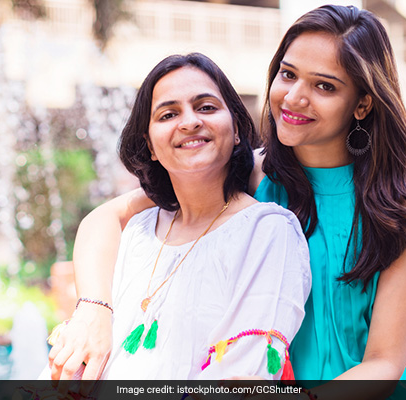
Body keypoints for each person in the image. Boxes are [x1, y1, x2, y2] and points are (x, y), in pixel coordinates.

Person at [50, 4, 406, 397]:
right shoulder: (250, 172)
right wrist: (94, 309)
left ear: (363, 103)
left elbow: (384, 363)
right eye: (288, 74)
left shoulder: (403, 207)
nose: (294, 97)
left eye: (324, 86)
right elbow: (106, 218)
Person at [46, 53, 310, 381]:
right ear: (150, 146)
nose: (189, 122)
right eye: (168, 114)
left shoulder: (267, 231)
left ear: (237, 129)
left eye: (206, 107)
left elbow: (242, 376)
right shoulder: (136, 231)